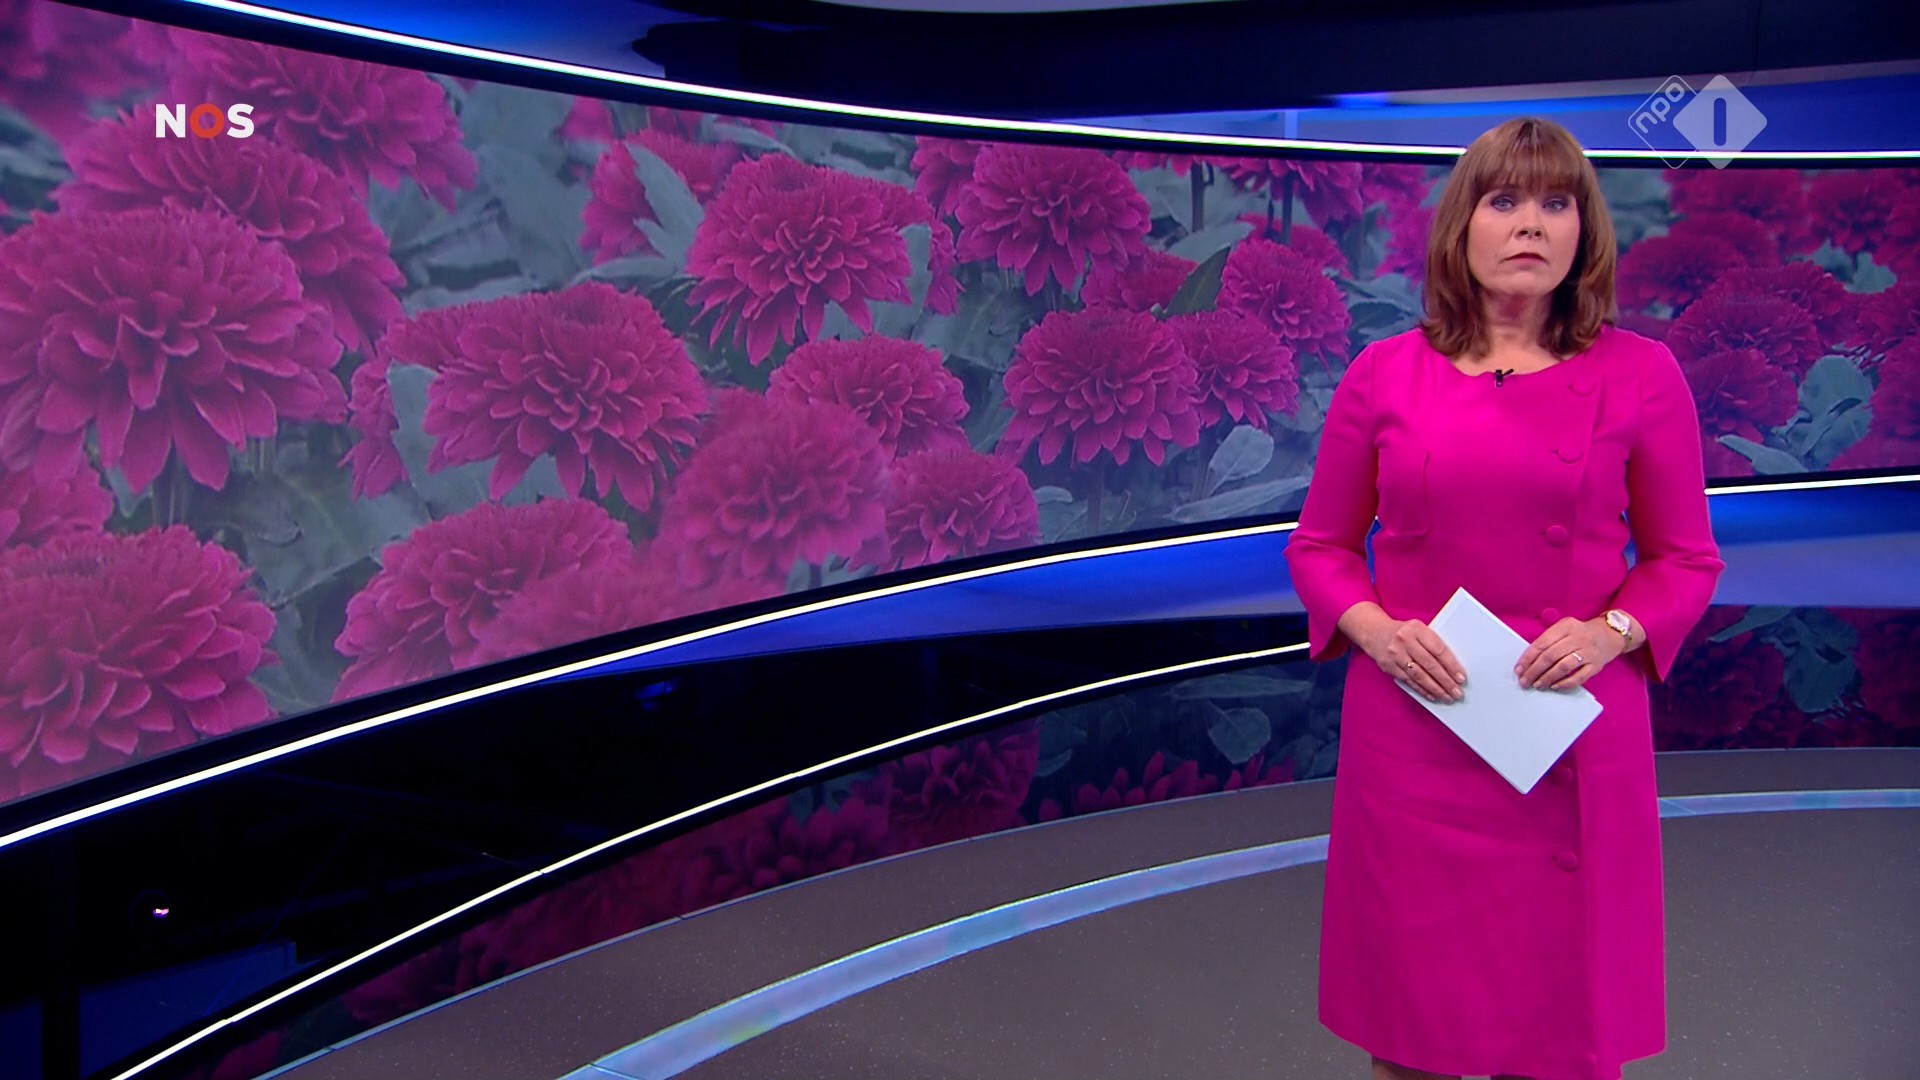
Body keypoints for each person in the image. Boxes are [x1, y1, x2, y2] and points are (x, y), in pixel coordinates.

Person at [1283, 117, 1725, 1080]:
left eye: (1557, 203)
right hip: (1420, 729)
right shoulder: (1383, 374)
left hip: (1566, 724)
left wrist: (1612, 631)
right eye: (1506, 200)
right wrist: (1375, 629)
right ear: (1462, 226)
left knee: (1560, 1035)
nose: (1532, 224)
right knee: (1414, 1036)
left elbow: (1685, 560)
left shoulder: (1642, 376)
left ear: (1584, 231)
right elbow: (1320, 549)